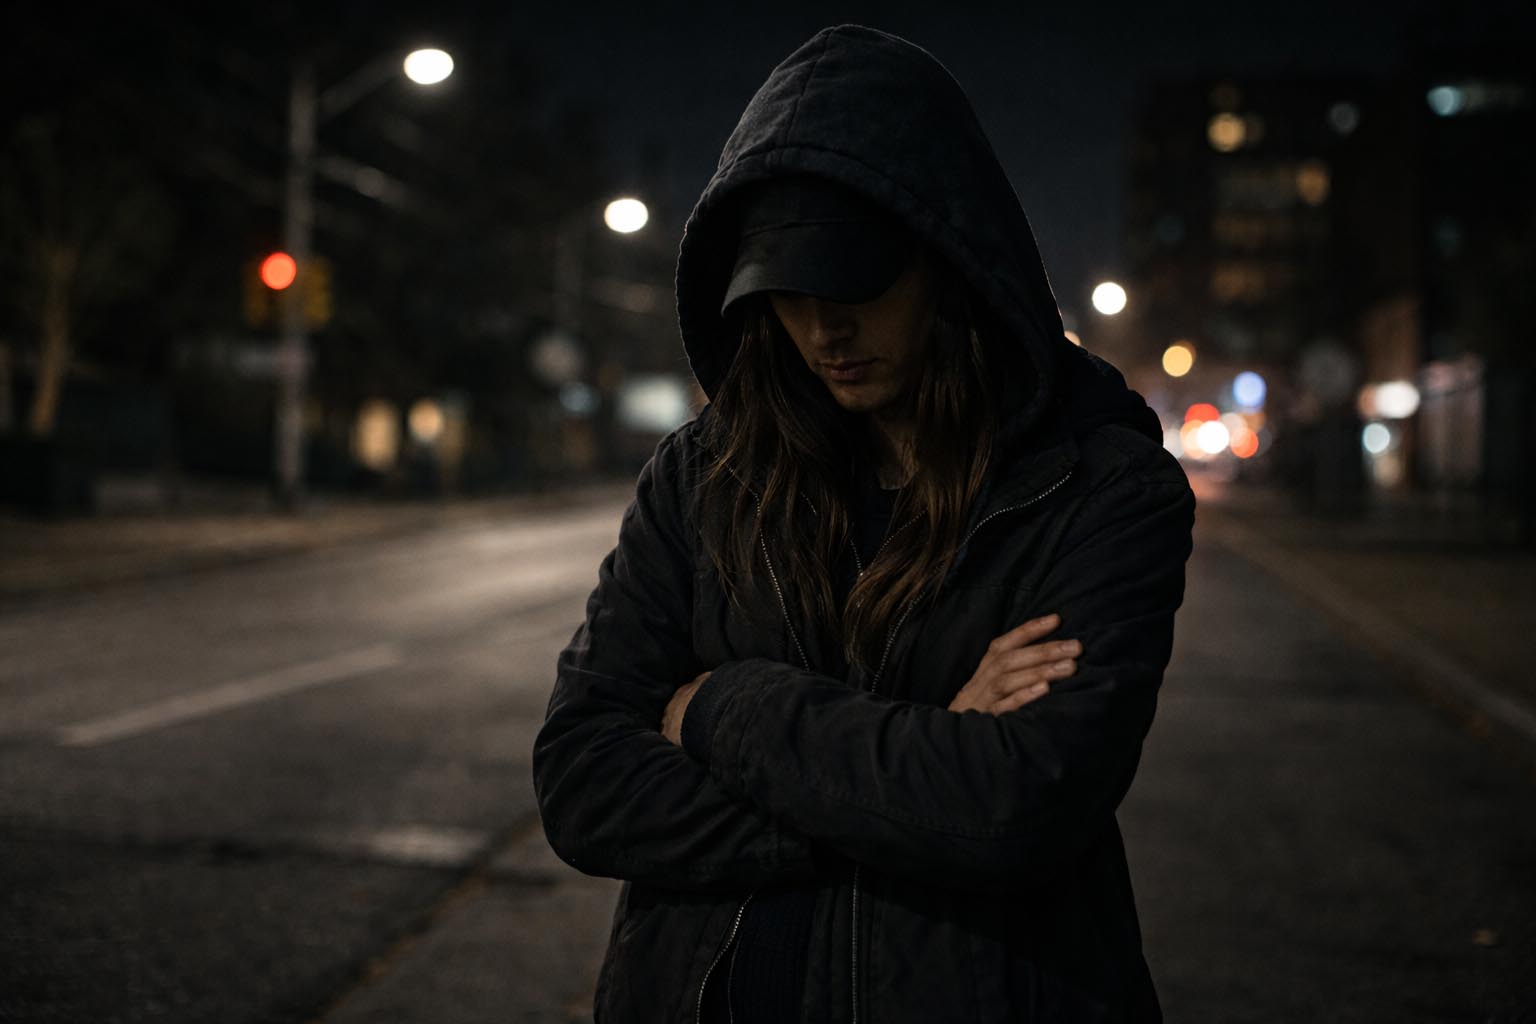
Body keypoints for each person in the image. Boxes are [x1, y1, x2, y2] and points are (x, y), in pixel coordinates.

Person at [533, 24, 1195, 1024]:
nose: (822, 329)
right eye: (786, 292)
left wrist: (723, 709)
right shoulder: (704, 475)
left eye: (856, 282)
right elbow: (584, 781)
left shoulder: (1100, 487)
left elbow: (1016, 806)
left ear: (950, 259)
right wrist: (916, 764)